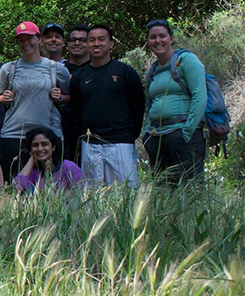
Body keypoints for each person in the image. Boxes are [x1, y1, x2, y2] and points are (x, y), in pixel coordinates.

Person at [0, 21, 71, 183]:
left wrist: (59, 96)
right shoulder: (8, 69)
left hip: (48, 134)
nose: (26, 43)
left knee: (49, 185)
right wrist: (5, 98)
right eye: (21, 40)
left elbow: (68, 97)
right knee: (14, 184)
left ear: (40, 39)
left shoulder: (56, 68)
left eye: (29, 38)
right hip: (14, 134)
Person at [70, 25, 144, 187]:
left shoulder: (125, 72)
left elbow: (138, 106)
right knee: (91, 194)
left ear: (111, 44)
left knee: (125, 192)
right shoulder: (79, 76)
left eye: (101, 39)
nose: (96, 43)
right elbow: (75, 111)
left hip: (120, 142)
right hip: (90, 144)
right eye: (92, 40)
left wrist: (129, 134)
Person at [142, 19, 208, 186]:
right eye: (153, 37)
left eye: (162, 36)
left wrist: (187, 132)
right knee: (163, 191)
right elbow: (150, 104)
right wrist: (146, 133)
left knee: (190, 189)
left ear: (171, 38)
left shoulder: (187, 60)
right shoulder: (153, 70)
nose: (157, 41)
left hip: (183, 135)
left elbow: (200, 96)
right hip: (157, 138)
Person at [13, 127, 84, 192]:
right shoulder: (34, 170)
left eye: (44, 144)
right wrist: (31, 161)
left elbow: (82, 192)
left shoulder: (68, 167)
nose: (40, 149)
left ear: (53, 147)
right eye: (35, 145)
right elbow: (17, 187)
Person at [60, 24, 91, 164]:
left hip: (89, 129)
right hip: (62, 128)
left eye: (82, 40)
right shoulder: (59, 69)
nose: (77, 43)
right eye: (73, 40)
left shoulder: (96, 69)